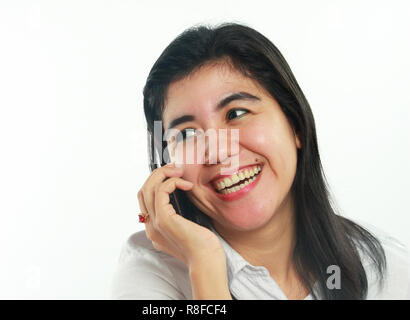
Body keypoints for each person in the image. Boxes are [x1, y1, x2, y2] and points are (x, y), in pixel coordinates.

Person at [111, 23, 410, 300]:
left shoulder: (388, 270)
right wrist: (204, 265)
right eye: (187, 133)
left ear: (295, 126)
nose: (218, 152)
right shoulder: (151, 276)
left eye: (236, 114)